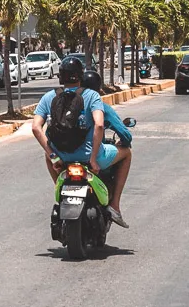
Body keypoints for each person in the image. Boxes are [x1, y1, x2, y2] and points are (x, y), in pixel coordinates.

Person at [32, 57, 132, 228]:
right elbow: (99, 124)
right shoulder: (91, 95)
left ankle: (62, 190)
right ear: (80, 76)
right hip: (89, 158)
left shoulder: (49, 97)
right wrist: (93, 159)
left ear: (60, 76)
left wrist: (54, 156)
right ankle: (114, 205)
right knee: (127, 154)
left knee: (47, 156)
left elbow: (35, 128)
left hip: (62, 158)